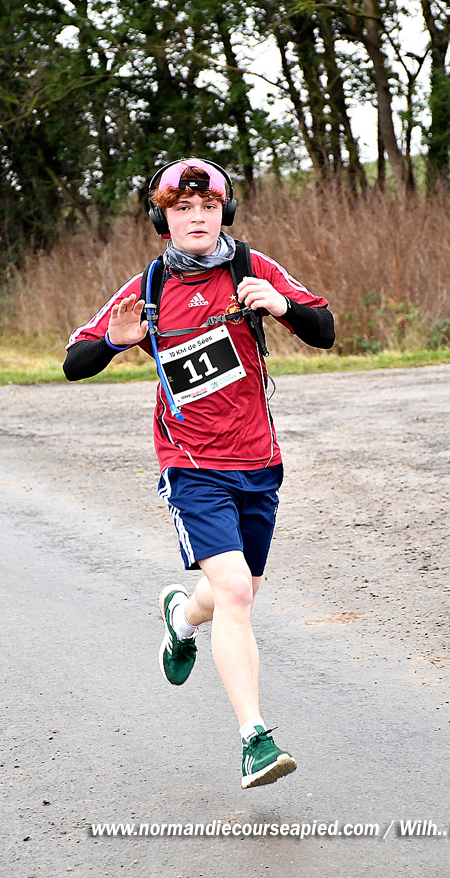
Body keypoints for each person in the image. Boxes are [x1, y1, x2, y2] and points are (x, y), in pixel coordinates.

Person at [63, 158, 335, 788]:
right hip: (190, 464)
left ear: (225, 213)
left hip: (258, 459)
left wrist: (283, 307)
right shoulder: (147, 288)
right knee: (235, 591)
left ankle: (182, 619)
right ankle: (255, 740)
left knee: (241, 589)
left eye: (208, 207)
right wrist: (115, 341)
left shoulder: (251, 268)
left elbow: (323, 329)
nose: (197, 218)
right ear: (163, 219)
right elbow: (75, 362)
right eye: (183, 209)